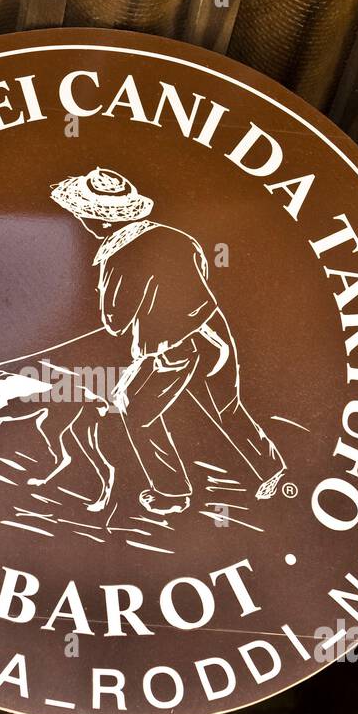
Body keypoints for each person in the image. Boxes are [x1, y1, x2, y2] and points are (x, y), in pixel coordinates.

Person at [50, 167, 287, 516]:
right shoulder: (179, 237)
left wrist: (106, 293)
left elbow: (115, 322)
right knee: (228, 406)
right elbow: (200, 277)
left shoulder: (117, 256)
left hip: (169, 347)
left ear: (99, 221)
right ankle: (271, 470)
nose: (80, 219)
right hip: (214, 333)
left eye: (82, 213)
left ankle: (172, 493)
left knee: (134, 409)